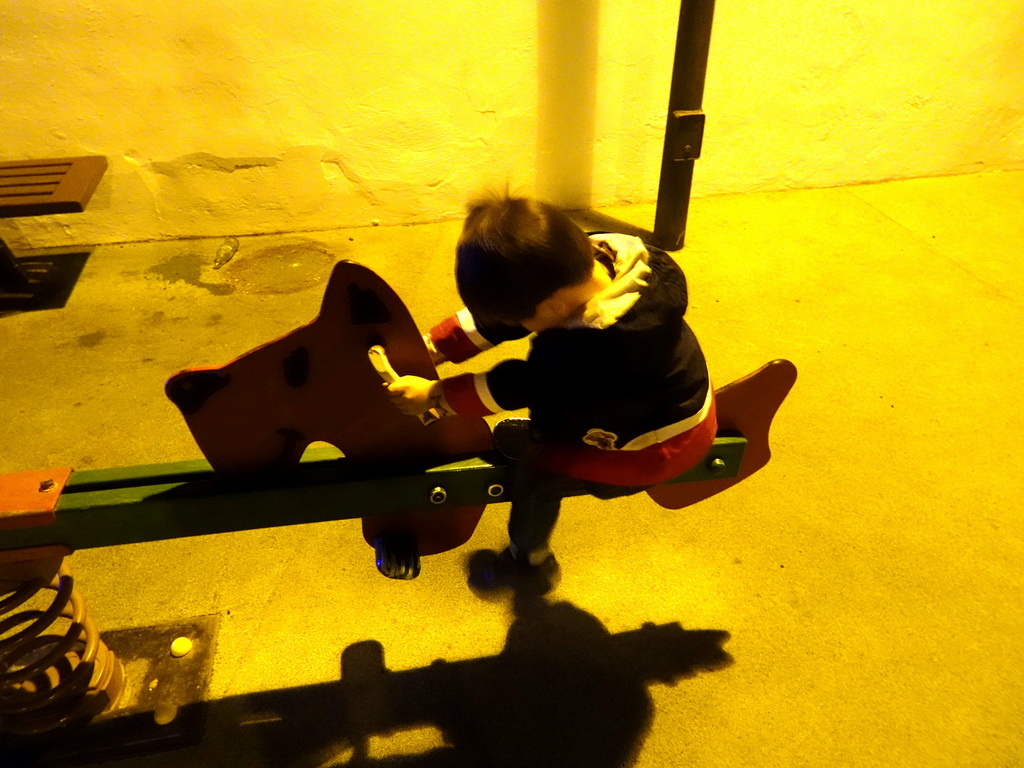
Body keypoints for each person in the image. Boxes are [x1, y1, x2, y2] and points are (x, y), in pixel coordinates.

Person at [387, 194, 717, 594]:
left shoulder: (598, 345)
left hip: (658, 444)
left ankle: (529, 557)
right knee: (556, 382)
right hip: (650, 397)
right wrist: (431, 348)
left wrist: (437, 395)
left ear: (554, 304)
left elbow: (523, 384)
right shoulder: (593, 259)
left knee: (538, 474)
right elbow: (508, 316)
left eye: (524, 318)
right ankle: (553, 437)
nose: (520, 325)